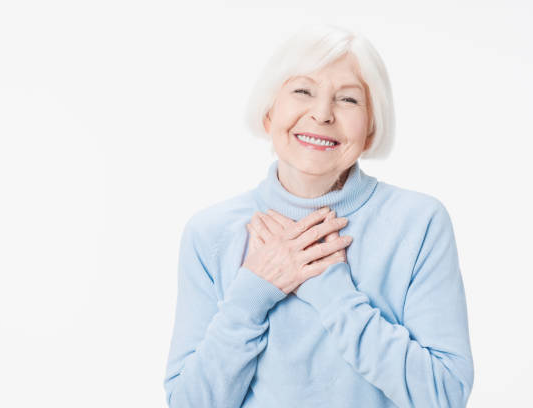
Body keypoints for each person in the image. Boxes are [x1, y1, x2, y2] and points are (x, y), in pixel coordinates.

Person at [163, 23, 474, 408]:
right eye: (302, 91)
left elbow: (444, 395)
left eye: (348, 100)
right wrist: (251, 296)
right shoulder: (210, 233)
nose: (322, 114)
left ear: (371, 129)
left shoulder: (420, 223)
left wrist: (334, 295)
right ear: (268, 114)